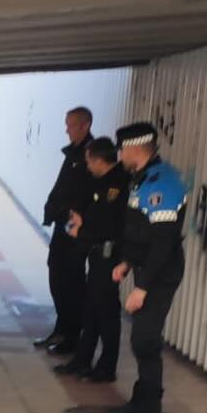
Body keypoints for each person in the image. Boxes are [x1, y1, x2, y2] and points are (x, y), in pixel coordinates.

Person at [108, 121, 187, 413]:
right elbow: (140, 232)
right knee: (141, 338)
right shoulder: (142, 180)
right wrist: (127, 262)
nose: (119, 155)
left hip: (160, 273)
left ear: (135, 148)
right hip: (146, 268)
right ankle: (140, 402)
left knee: (146, 339)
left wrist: (142, 288)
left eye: (121, 149)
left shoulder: (162, 184)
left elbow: (163, 241)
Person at [54, 138, 128, 382]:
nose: (87, 166)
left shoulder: (117, 185)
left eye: (88, 161)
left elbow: (110, 226)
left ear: (98, 160)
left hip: (109, 256)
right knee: (91, 309)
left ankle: (107, 367)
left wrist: (82, 232)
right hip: (97, 254)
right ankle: (82, 359)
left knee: (106, 313)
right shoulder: (101, 182)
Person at [38, 106, 95, 353]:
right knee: (57, 276)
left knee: (72, 282)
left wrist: (68, 212)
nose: (66, 130)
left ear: (85, 125)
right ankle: (62, 329)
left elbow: (83, 195)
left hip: (76, 229)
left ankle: (72, 337)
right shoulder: (73, 153)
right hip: (63, 225)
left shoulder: (90, 154)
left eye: (70, 125)